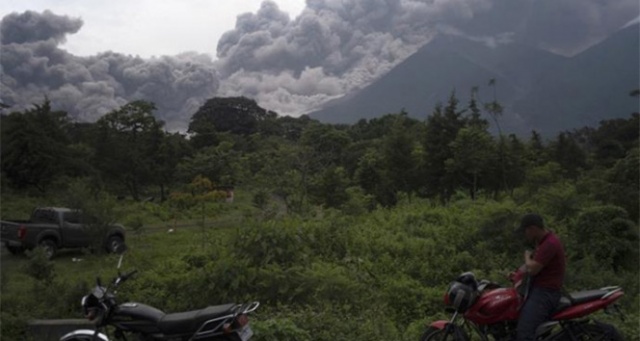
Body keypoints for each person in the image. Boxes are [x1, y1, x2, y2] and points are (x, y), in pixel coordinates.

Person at [515, 213, 566, 341]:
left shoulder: (550, 243)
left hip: (545, 293)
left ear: (532, 229)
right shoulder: (544, 242)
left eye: (526, 231)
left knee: (524, 333)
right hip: (540, 290)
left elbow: (532, 269)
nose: (525, 234)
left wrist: (526, 256)